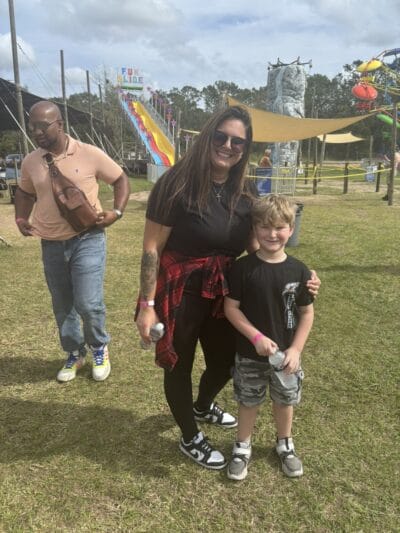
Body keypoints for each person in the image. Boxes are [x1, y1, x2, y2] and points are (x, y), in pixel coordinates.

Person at [135, 105, 320, 470]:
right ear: (207, 137)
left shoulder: (244, 191)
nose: (228, 145)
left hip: (225, 291)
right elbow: (151, 247)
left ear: (245, 148)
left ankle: (202, 406)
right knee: (180, 365)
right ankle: (190, 437)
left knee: (224, 362)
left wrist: (297, 274)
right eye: (221, 137)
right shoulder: (175, 184)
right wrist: (147, 304)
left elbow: (258, 246)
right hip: (182, 289)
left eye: (238, 141)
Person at [15, 101, 130, 383]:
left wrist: (116, 211)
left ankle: (99, 347)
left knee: (88, 303)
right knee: (62, 304)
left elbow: (120, 179)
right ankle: (75, 353)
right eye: (33, 127)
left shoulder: (89, 153)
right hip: (51, 243)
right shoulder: (31, 161)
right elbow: (25, 191)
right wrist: (20, 218)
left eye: (43, 126)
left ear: (60, 124)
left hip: (87, 239)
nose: (37, 132)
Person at [224, 194, 314, 480]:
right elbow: (231, 308)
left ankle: (284, 444)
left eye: (279, 227)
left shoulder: (300, 271)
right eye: (264, 226)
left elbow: (307, 313)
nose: (272, 234)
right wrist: (255, 337)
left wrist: (296, 349)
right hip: (251, 355)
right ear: (254, 229)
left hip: (286, 357)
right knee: (248, 400)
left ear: (291, 228)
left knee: (284, 400)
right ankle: (242, 446)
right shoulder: (242, 268)